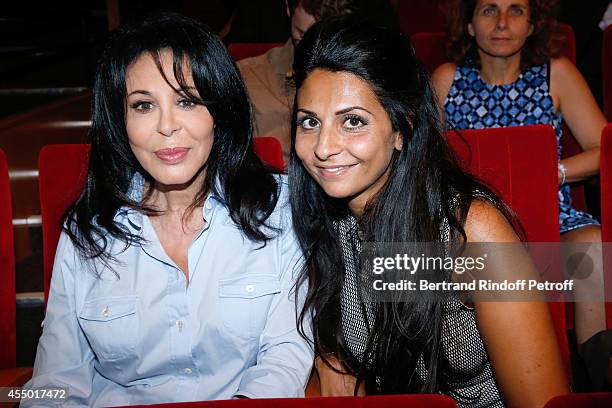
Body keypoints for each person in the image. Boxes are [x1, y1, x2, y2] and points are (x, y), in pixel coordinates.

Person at [22, 13, 312, 406]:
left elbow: (285, 355)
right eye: (143, 106)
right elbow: (54, 381)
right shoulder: (90, 229)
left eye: (187, 101)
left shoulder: (277, 209)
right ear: (120, 121)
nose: (167, 126)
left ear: (220, 110)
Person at [290, 17, 569, 407]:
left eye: (352, 121)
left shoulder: (469, 233)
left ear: (401, 128)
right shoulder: (322, 221)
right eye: (309, 122)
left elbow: (541, 402)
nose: (323, 147)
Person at [431, 0, 611, 390]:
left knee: (593, 245)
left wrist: (556, 172)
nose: (501, 23)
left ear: (532, 25)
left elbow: (604, 146)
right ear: (469, 25)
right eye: (488, 10)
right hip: (472, 225)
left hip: (552, 216)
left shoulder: (555, 74)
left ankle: (599, 379)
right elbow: (422, 154)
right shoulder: (447, 79)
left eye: (515, 10)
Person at [237, 0, 396, 166]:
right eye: (303, 35)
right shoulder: (249, 76)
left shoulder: (375, 76)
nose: (323, 150)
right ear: (288, 8)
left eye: (328, 38)